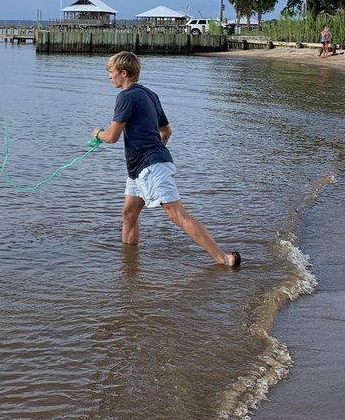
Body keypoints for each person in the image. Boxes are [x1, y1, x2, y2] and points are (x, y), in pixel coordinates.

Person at [93, 51, 240, 269]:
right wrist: (153, 153)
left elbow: (112, 136)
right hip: (139, 169)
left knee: (176, 215)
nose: (109, 77)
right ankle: (129, 265)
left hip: (150, 166)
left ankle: (223, 258)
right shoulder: (150, 94)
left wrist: (97, 133)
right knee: (128, 214)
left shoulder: (125, 96)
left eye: (111, 73)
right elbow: (167, 131)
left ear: (123, 73)